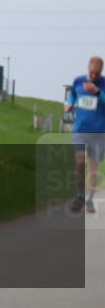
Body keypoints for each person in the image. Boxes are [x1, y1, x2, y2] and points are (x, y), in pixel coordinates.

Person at [63, 56, 105, 215]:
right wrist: (69, 104)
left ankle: (90, 200)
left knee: (93, 169)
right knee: (80, 162)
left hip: (99, 133)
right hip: (80, 130)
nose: (93, 76)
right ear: (88, 69)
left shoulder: (103, 84)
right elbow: (72, 95)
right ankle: (79, 197)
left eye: (97, 74)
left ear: (101, 72)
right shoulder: (78, 81)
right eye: (92, 72)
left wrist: (97, 92)